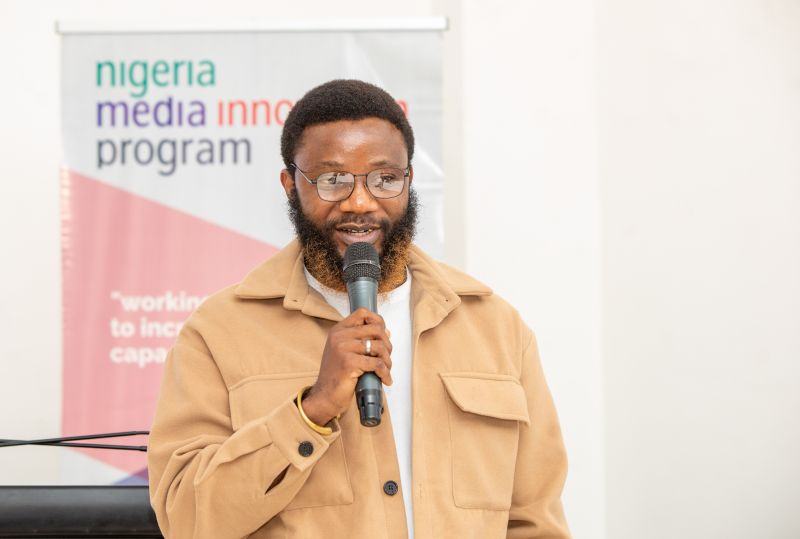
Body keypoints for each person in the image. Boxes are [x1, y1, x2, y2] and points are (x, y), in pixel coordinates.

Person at [147, 79, 570, 539]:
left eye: (385, 179)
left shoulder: (495, 328)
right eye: (333, 180)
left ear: (409, 181)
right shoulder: (217, 333)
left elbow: (534, 520)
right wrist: (312, 410)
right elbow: (185, 518)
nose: (361, 202)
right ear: (291, 185)